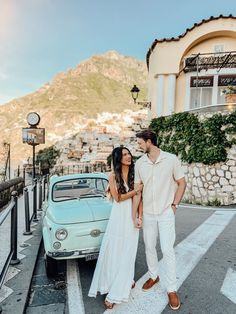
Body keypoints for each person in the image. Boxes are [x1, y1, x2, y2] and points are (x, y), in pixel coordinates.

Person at [132, 129, 186, 311]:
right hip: (147, 213)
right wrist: (138, 215)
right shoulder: (139, 164)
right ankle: (154, 276)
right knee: (148, 246)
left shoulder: (171, 159)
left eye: (140, 143)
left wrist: (174, 205)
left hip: (165, 213)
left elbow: (182, 183)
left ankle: (171, 289)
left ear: (149, 141)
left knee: (167, 249)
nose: (138, 146)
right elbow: (138, 191)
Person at [88, 146, 143, 309]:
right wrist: (135, 191)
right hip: (118, 218)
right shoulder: (112, 176)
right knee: (115, 251)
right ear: (118, 158)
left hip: (131, 217)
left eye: (129, 153)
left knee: (129, 251)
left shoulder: (136, 174)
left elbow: (142, 197)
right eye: (124, 154)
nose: (128, 156)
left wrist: (139, 217)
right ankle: (113, 288)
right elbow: (118, 198)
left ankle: (122, 285)